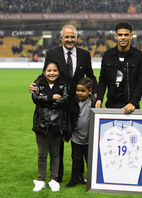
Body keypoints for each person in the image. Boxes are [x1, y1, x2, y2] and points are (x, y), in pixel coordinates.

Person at [29, 24, 97, 183]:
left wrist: (96, 94)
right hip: (58, 105)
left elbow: (91, 76)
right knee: (57, 142)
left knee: (79, 141)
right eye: (67, 37)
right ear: (61, 38)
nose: (70, 39)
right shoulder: (52, 53)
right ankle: (57, 176)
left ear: (76, 38)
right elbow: (45, 73)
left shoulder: (85, 54)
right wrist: (35, 85)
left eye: (72, 36)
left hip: (78, 105)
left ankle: (78, 175)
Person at [32, 61, 69, 192]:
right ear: (44, 72)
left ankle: (54, 179)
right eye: (49, 71)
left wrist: (45, 101)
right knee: (42, 154)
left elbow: (64, 100)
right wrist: (52, 97)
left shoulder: (63, 84)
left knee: (55, 154)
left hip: (57, 124)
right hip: (41, 124)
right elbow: (35, 98)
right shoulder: (39, 85)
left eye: (54, 71)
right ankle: (41, 180)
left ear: (58, 72)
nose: (52, 73)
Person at [95, 21, 142, 114]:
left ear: (131, 36)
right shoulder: (108, 55)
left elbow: (141, 83)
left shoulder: (139, 56)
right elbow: (103, 80)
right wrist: (99, 99)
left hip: (131, 108)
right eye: (120, 35)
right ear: (115, 36)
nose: (123, 38)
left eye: (126, 35)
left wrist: (133, 103)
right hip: (111, 106)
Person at [65, 78, 96, 188]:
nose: (79, 93)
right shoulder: (73, 102)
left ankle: (93, 181)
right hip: (76, 137)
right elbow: (68, 119)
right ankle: (75, 179)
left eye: (83, 91)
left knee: (90, 160)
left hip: (90, 138)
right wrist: (66, 133)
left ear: (90, 91)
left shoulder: (94, 103)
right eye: (78, 90)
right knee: (76, 159)